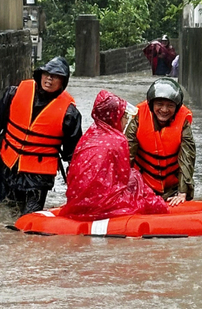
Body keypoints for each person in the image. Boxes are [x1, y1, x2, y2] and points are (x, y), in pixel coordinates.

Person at [0, 56, 82, 214]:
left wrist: (76, 183)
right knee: (3, 215)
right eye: (46, 73)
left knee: (28, 223)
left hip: (38, 178)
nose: (49, 78)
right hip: (7, 168)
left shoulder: (70, 114)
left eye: (55, 76)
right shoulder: (14, 93)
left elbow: (73, 154)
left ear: (63, 82)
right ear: (40, 74)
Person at [60, 90, 169, 221]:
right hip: (102, 205)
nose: (124, 121)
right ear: (114, 117)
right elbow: (123, 177)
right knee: (135, 177)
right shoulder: (118, 140)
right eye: (123, 116)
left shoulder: (88, 135)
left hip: (77, 203)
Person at [125, 77, 195, 207]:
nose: (164, 110)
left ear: (177, 107)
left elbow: (187, 157)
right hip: (143, 185)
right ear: (151, 105)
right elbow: (127, 154)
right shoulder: (138, 117)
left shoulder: (183, 122)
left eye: (170, 105)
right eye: (159, 104)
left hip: (172, 188)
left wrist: (182, 192)